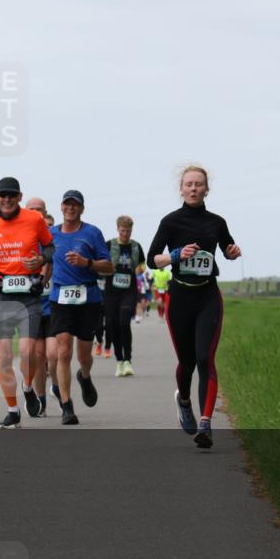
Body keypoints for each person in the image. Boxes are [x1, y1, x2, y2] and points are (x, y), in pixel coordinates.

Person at [147, 165, 241, 449]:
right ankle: (184, 400)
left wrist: (232, 252)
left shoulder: (217, 222)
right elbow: (152, 258)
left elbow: (228, 248)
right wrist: (175, 255)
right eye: (189, 184)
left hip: (208, 296)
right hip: (180, 297)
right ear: (181, 188)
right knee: (186, 363)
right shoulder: (171, 222)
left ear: (206, 189)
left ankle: (206, 423)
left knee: (204, 358)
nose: (193, 188)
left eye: (199, 184)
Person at [0, 177, 55, 428]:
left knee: (28, 352)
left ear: (20, 197)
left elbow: (50, 247)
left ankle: (28, 386)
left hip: (28, 295)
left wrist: (41, 260)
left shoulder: (34, 219)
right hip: (0, 294)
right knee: (5, 356)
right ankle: (12, 410)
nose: (7, 199)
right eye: (3, 195)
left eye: (12, 195)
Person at [47, 191, 113, 425]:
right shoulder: (50, 234)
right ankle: (67, 405)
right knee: (63, 351)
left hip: (88, 298)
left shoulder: (92, 233)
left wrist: (88, 263)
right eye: (67, 204)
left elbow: (109, 267)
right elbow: (43, 258)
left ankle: (84, 377)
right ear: (61, 207)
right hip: (60, 298)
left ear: (82, 209)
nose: (71, 208)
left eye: (76, 205)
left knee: (84, 356)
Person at [104, 216, 145, 378]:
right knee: (112, 324)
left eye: (128, 231)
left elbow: (142, 263)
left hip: (129, 290)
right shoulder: (110, 245)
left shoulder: (135, 246)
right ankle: (119, 360)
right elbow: (100, 261)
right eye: (123, 231)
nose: (125, 234)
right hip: (111, 290)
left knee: (124, 322)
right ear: (118, 229)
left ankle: (128, 360)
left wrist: (140, 270)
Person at [30, 211, 60, 417]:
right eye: (44, 225)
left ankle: (58, 386)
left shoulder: (55, 248)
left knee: (53, 355)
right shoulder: (29, 247)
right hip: (34, 307)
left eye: (50, 225)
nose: (46, 229)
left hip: (55, 307)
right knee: (39, 357)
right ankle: (41, 399)